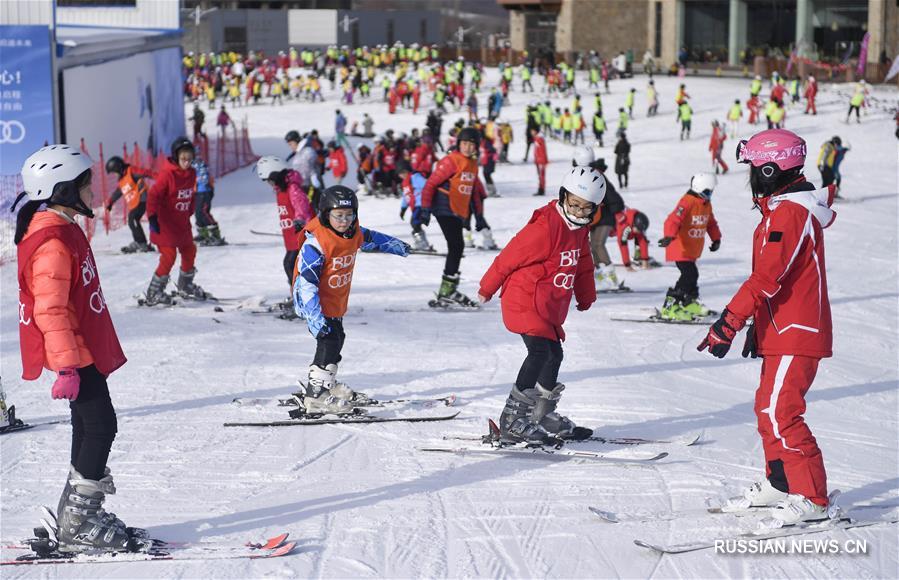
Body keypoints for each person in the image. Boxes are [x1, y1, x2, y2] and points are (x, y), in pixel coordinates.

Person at [12, 144, 151, 553]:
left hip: (80, 349)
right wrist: (68, 368)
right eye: (86, 184)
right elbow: (49, 309)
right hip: (74, 355)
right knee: (101, 427)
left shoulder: (62, 226)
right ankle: (79, 522)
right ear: (63, 190)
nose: (93, 191)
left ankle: (78, 512)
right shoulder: (52, 241)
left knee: (88, 427)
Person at [698, 128, 835, 526]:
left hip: (799, 331)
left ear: (772, 169)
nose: (751, 178)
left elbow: (766, 278)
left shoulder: (791, 214)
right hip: (781, 329)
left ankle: (813, 498)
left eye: (755, 169)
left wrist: (729, 321)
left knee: (782, 413)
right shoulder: (781, 210)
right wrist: (758, 325)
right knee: (766, 409)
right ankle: (781, 482)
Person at [478, 166, 602, 445]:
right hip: (523, 300)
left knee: (553, 355)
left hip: (547, 304)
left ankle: (540, 415)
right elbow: (509, 257)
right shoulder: (546, 228)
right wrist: (487, 287)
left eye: (585, 208)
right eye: (574, 204)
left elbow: (583, 264)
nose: (578, 212)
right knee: (539, 353)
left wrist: (586, 295)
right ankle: (512, 421)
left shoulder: (579, 230)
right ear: (563, 197)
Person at [292, 186, 410, 413]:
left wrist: (397, 246)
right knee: (329, 339)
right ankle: (316, 394)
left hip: (335, 299)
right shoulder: (316, 244)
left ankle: (327, 385)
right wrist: (315, 318)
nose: (344, 221)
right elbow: (306, 284)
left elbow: (372, 238)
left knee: (338, 338)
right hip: (314, 302)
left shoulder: (352, 233)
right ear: (326, 214)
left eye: (349, 215)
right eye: (338, 216)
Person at [419, 127, 487, 308]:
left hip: (457, 210)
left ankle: (448, 290)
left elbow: (473, 193)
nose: (468, 148)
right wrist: (424, 209)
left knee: (457, 247)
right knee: (456, 246)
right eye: (464, 144)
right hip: (444, 207)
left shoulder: (472, 164)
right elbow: (431, 184)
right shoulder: (451, 160)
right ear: (458, 144)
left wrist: (479, 216)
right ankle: (447, 291)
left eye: (472, 145)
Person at [144, 137, 208, 305]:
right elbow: (153, 195)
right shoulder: (168, 175)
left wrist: (190, 209)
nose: (186, 162)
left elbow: (191, 194)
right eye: (183, 158)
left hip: (181, 222)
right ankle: (154, 292)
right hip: (164, 223)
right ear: (176, 157)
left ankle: (185, 285)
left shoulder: (192, 173)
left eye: (189, 158)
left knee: (189, 250)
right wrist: (152, 217)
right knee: (169, 256)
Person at [657, 172, 721, 321]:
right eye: (706, 192)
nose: (709, 195)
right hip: (680, 247)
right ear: (698, 189)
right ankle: (671, 305)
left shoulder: (705, 204)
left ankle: (689, 302)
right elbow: (672, 220)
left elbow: (711, 223)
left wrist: (716, 239)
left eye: (710, 192)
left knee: (692, 275)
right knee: (689, 275)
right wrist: (669, 236)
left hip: (692, 249)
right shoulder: (687, 202)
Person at [255, 156, 315, 294]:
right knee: (291, 265)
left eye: (269, 180)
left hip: (300, 234)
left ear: (276, 175)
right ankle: (299, 295)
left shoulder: (292, 188)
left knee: (292, 265)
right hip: (291, 236)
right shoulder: (282, 188)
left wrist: (299, 219)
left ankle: (302, 297)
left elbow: (301, 204)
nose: (269, 184)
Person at [577, 152, 625, 291]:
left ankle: (611, 279)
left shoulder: (596, 174)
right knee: (593, 246)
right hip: (595, 217)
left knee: (599, 244)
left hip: (606, 215)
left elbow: (611, 194)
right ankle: (601, 277)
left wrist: (616, 210)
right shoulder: (588, 174)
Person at [103, 156, 154, 254]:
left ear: (118, 168)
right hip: (135, 203)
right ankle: (138, 242)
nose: (115, 175)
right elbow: (118, 193)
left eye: (114, 172)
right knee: (132, 220)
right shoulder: (122, 181)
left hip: (141, 199)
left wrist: (159, 177)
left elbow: (145, 173)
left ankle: (142, 243)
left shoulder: (131, 172)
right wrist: (110, 203)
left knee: (133, 218)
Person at [192, 155, 225, 246]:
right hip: (196, 192)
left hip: (204, 192)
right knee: (198, 213)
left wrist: (200, 179)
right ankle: (203, 234)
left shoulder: (199, 164)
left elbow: (204, 176)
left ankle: (215, 234)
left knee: (204, 212)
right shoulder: (187, 164)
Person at [531, 128, 548, 196]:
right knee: (540, 176)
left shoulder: (539, 139)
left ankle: (541, 190)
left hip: (541, 161)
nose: (531, 132)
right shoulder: (537, 138)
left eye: (532, 130)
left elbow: (542, 151)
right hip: (539, 160)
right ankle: (540, 189)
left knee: (541, 176)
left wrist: (541, 160)